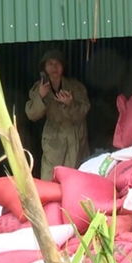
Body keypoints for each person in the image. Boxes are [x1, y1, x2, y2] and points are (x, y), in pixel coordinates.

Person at [25, 49, 90, 181]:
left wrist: (70, 104)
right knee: (50, 176)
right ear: (44, 67)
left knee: (75, 177)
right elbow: (31, 114)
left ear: (63, 67)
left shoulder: (75, 86)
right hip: (53, 138)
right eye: (50, 64)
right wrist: (40, 96)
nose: (54, 67)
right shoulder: (39, 87)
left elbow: (84, 111)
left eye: (57, 64)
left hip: (75, 135)